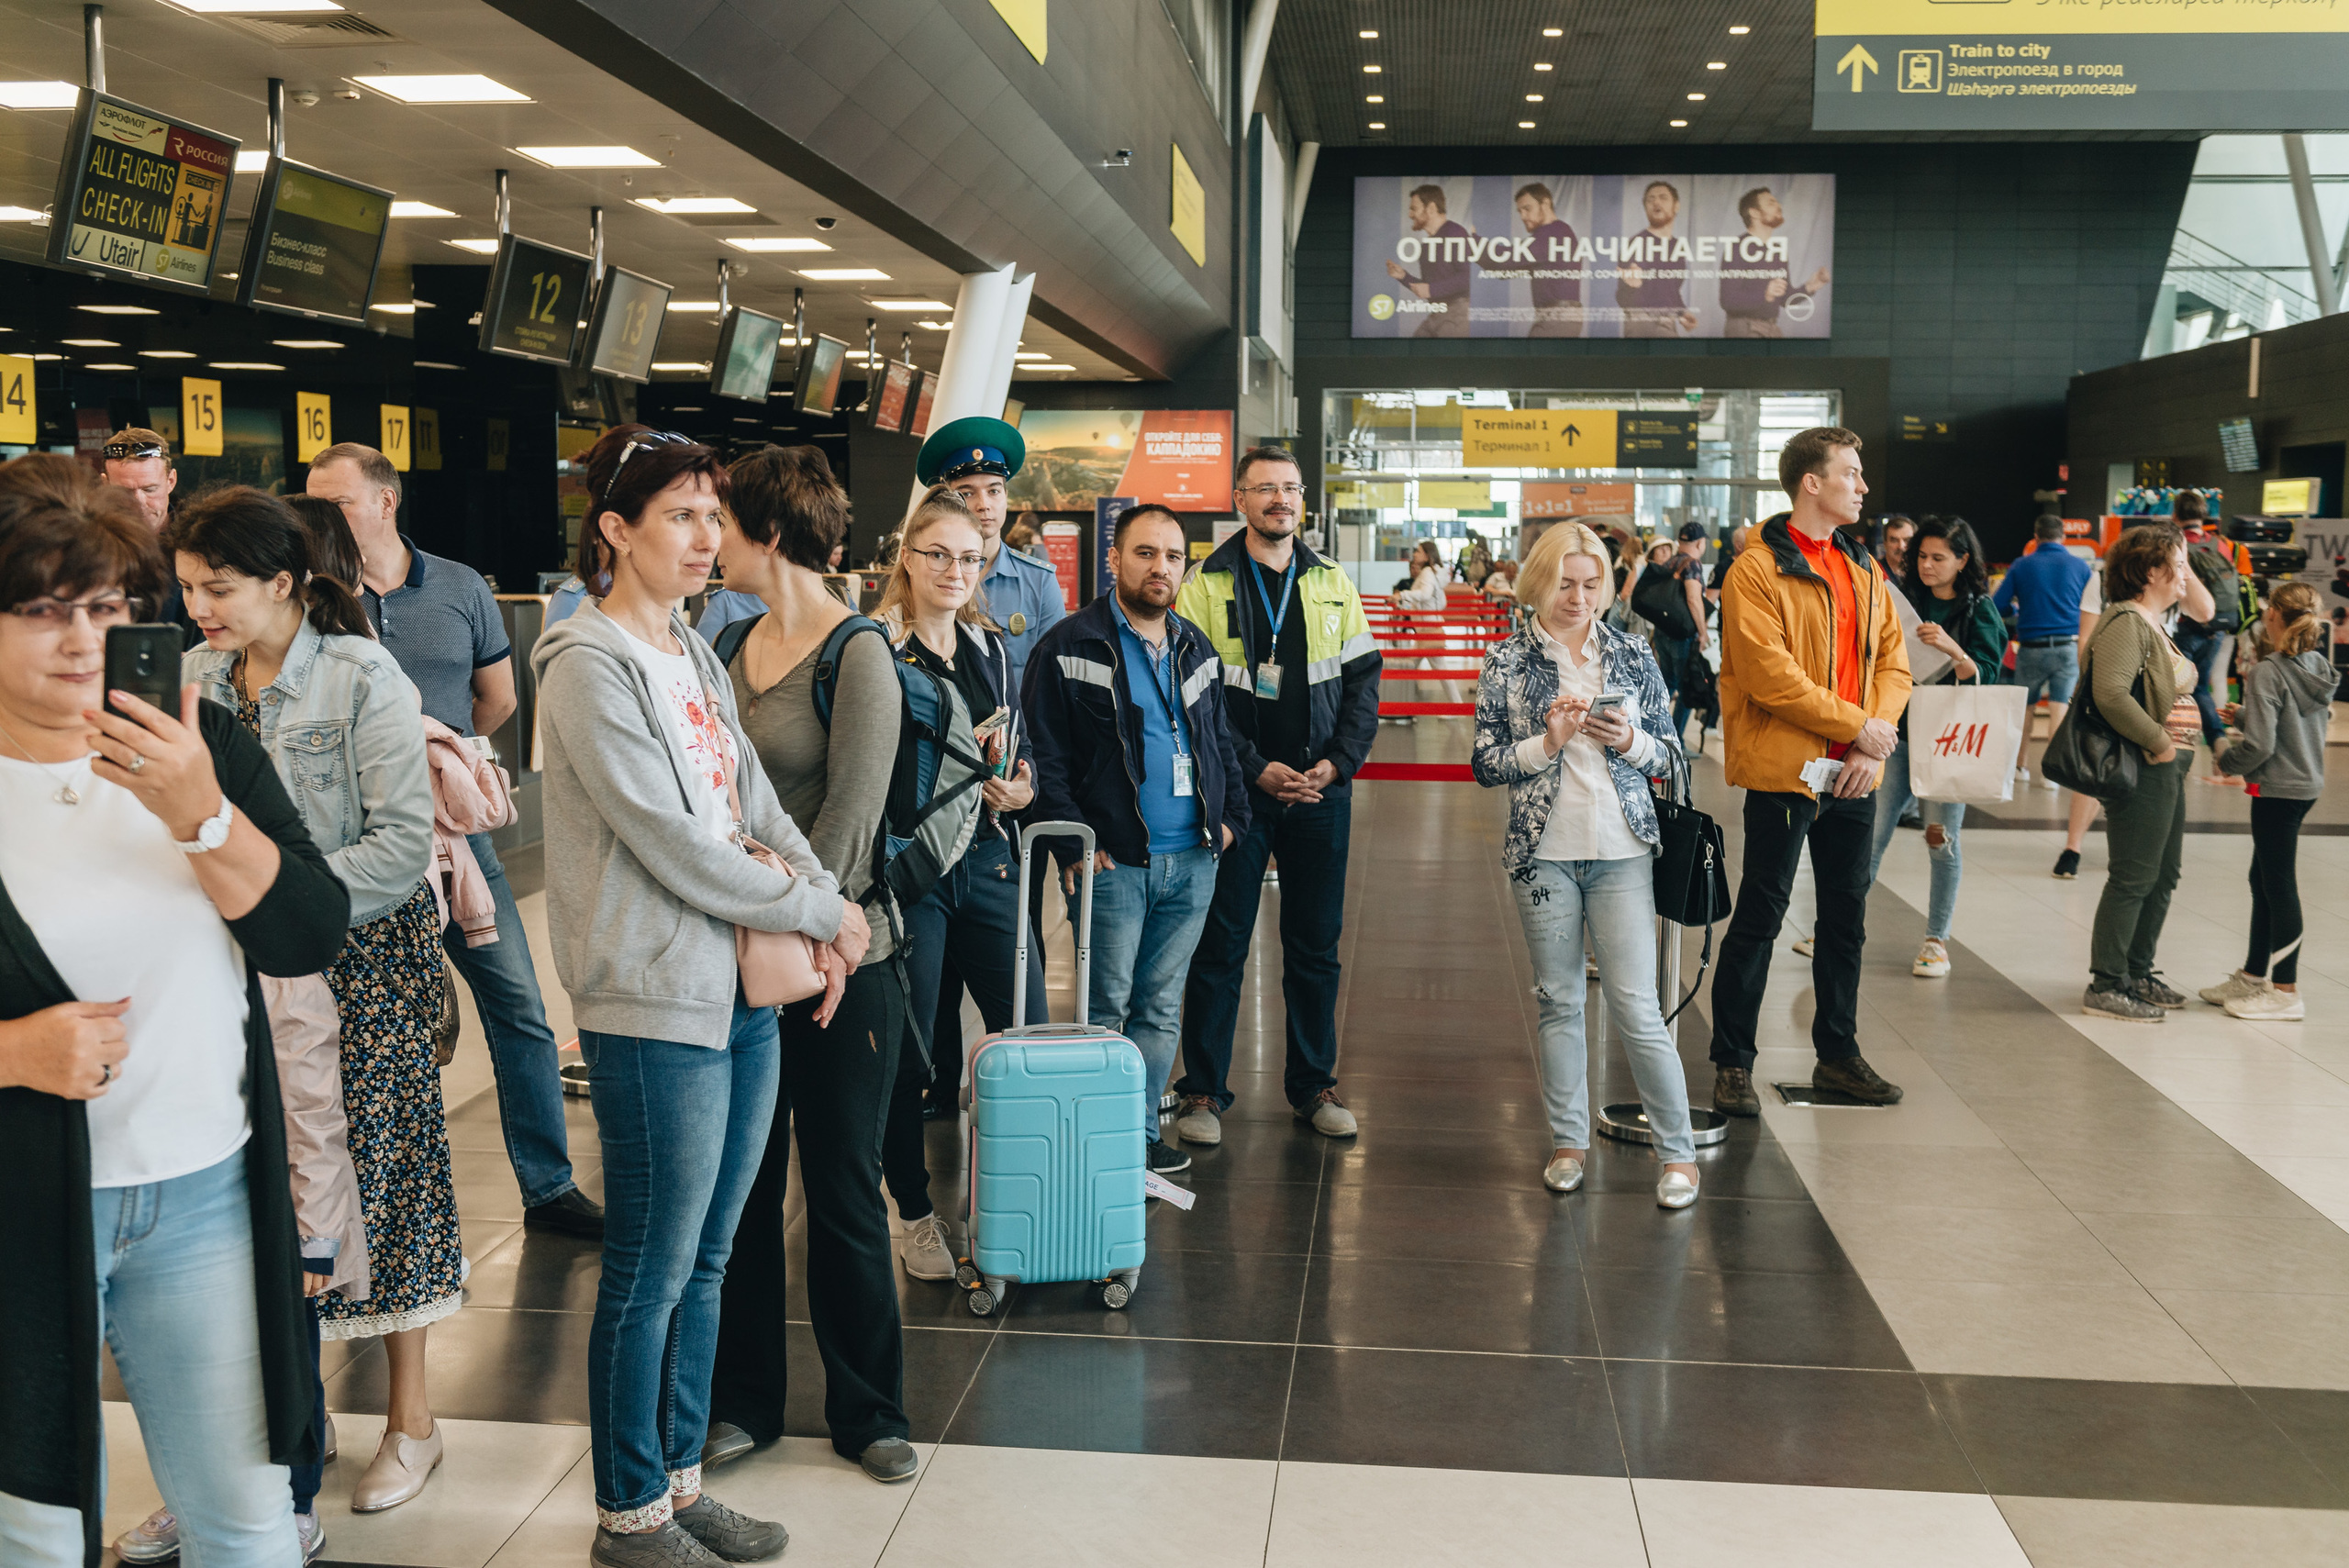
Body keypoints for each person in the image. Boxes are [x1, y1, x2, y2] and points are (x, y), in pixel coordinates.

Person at [0, 469, 349, 1568]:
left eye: (106, 607)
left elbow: (307, 930)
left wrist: (200, 813)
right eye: (42, 608)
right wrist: (12, 1050)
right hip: (23, 1207)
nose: (78, 639)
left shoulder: (201, 749)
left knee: (245, 1522)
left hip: (202, 1194)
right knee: (37, 1530)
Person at [533, 426, 853, 1567]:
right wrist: (818, 915)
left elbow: (755, 805)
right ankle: (628, 1512)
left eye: (714, 516)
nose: (706, 537)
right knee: (650, 1267)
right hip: (651, 998)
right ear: (615, 529)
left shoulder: (696, 651)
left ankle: (677, 1479)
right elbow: (670, 841)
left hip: (736, 988)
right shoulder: (585, 662)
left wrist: (824, 892)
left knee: (715, 1252)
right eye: (680, 514)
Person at [172, 486, 463, 1521]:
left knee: (387, 1185)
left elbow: (399, 840)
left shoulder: (359, 676)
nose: (199, 604)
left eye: (220, 586)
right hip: (238, 967)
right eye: (188, 584)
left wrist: (283, 898)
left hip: (359, 957)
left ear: (285, 582)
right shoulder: (194, 676)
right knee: (265, 1199)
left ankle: (412, 1420)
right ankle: (291, 1423)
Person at [306, 443, 599, 1238]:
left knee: (521, 1008)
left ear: (385, 501)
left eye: (333, 503)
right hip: (359, 850)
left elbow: (497, 697)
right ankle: (370, 1202)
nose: (318, 518)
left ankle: (549, 1186)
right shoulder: (312, 598)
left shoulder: (462, 587)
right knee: (371, 1032)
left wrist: (444, 765)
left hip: (461, 845)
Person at [703, 443, 920, 1488]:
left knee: (840, 1188)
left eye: (723, 524)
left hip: (844, 959)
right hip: (743, 959)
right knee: (741, 1190)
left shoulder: (859, 653)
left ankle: (868, 1408)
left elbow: (847, 829)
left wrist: (805, 923)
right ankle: (744, 1401)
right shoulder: (724, 641)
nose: (709, 541)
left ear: (771, 533)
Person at [1470, 521, 1700, 1208]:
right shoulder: (1506, 660)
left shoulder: (1632, 654)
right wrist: (1548, 741)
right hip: (1543, 855)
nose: (1578, 597)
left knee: (1635, 1004)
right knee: (1559, 1000)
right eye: (1565, 583)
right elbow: (1485, 762)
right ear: (1539, 582)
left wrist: (1628, 739)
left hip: (1622, 850)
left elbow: (1672, 759)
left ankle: (1678, 1153)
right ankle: (1570, 1142)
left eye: (1591, 583)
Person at [1026, 503, 1251, 1174]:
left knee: (1158, 1006)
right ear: (1115, 560)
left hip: (1193, 858)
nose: (1161, 567)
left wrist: (1230, 820)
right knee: (1106, 1006)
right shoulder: (1069, 644)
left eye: (1174, 556)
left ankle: (1138, 1133)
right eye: (1146, 553)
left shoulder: (1193, 645)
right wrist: (1074, 843)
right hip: (1115, 861)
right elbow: (1046, 754)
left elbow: (1219, 743)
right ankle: (1098, 1140)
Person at [1174, 447, 1382, 1144]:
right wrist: (1253, 768)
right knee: (1221, 942)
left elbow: (1362, 685)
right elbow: (1195, 699)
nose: (1280, 499)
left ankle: (1313, 1084)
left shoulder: (1330, 581)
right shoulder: (1204, 583)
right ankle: (1202, 1090)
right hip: (1239, 794)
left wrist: (1338, 764)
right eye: (1266, 488)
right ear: (1240, 499)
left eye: (1290, 488)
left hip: (1320, 792)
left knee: (1316, 945)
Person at [1708, 428, 1911, 1115]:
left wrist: (1867, 744)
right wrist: (1858, 727)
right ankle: (1732, 1061)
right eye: (1851, 473)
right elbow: (1770, 676)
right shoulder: (1757, 570)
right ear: (1811, 483)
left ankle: (1839, 1054)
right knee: (1762, 913)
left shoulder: (1863, 569)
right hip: (1786, 772)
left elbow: (1894, 664)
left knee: (1846, 918)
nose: (1863, 485)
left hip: (1853, 774)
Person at [873, 487, 1043, 1282]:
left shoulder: (989, 647)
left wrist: (1022, 785)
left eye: (971, 558)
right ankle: (914, 1211)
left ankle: (1026, 1199)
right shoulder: (874, 649)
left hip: (991, 860)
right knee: (910, 1056)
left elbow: (1012, 750)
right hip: (915, 871)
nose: (955, 570)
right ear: (906, 555)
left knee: (1027, 1038)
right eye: (938, 553)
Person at [917, 416, 1067, 1063]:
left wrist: (1029, 776)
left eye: (994, 491)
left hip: (1002, 812)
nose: (983, 505)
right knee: (930, 975)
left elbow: (1044, 698)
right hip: (929, 817)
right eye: (968, 491)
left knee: (1014, 963)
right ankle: (935, 1079)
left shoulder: (1034, 581)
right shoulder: (912, 601)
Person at [1865, 517, 2009, 980]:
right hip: (1898, 735)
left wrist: (1952, 649)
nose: (1926, 566)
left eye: (1938, 558)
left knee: (1940, 840)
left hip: (1950, 741)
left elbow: (1988, 676)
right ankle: (1840, 925)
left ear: (1962, 560)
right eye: (1921, 556)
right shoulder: (1903, 601)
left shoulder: (1978, 609)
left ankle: (1936, 940)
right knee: (1870, 837)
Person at [2076, 523, 2204, 1024]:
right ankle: (2107, 982)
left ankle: (2136, 969)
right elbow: (2110, 694)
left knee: (2163, 873)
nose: (2186, 574)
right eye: (2180, 563)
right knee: (2134, 875)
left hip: (2166, 768)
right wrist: (2158, 741)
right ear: (2153, 571)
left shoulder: (2151, 622)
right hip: (2146, 766)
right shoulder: (2127, 621)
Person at [2207, 581, 2332, 1022]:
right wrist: (2244, 713)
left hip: (2277, 789)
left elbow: (2258, 747)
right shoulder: (2315, 665)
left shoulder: (2267, 670)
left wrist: (2224, 756)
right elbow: (2295, 722)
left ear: (2276, 615)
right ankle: (2254, 974)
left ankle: (2285, 990)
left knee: (2277, 884)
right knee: (2262, 878)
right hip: (2305, 785)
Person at [1993, 514, 2093, 805]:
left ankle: (2020, 767)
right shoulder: (2081, 566)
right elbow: (2091, 606)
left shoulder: (2022, 565)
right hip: (2067, 647)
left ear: (2036, 538)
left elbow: (1998, 605)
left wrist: (2018, 613)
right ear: (2064, 537)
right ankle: (2052, 774)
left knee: (2026, 708)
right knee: (2059, 709)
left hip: (2031, 647)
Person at [99, 428, 198, 640]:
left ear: (170, 481)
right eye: (125, 492)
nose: (139, 503)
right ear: (105, 485)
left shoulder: (202, 545)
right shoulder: (89, 549)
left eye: (150, 489)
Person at [1632, 523, 1710, 748]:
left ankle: (1651, 731)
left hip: (1664, 632)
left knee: (1666, 685)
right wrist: (1702, 633)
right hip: (1682, 635)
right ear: (1700, 542)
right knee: (1686, 687)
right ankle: (1675, 742)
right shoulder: (1692, 564)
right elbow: (1693, 599)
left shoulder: (1671, 561)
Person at [2174, 493, 2240, 749]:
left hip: (2186, 626)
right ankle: (2217, 740)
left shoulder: (2179, 544)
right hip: (2218, 627)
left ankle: (2179, 742)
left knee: (2178, 687)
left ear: (2175, 515)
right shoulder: (2220, 545)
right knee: (2201, 686)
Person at [1719, 186, 1830, 339]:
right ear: (1754, 213)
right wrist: (1765, 295)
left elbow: (1785, 299)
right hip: (1745, 328)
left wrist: (1811, 286)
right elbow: (1728, 301)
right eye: (1771, 203)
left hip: (1772, 329)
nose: (1779, 206)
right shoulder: (1737, 247)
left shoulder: (1778, 250)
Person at [1384, 183, 1473, 338]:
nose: (1410, 214)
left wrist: (1432, 290)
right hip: (1437, 313)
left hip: (1457, 313)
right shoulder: (1426, 246)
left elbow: (1469, 277)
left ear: (1431, 208)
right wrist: (1404, 277)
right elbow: (1428, 287)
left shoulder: (1454, 232)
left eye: (1414, 209)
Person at [1616, 180, 1697, 337]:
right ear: (1645, 207)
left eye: (1663, 197)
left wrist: (1682, 312)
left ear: (1676, 206)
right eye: (1650, 199)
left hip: (1668, 323)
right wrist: (1633, 286)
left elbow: (1670, 290)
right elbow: (1622, 298)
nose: (1656, 202)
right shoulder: (1634, 244)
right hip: (1642, 324)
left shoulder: (1677, 247)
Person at [1512, 181, 1582, 337]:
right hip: (1561, 318)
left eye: (1527, 209)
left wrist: (1473, 243)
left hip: (1556, 318)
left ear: (1545, 204)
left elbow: (1504, 261)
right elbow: (1506, 269)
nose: (1523, 216)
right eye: (1520, 211)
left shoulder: (1550, 233)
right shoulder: (1561, 231)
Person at [1876, 515, 1915, 580]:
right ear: (1885, 544)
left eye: (1907, 540)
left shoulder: (1922, 573)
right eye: (1894, 541)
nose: (1901, 546)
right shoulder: (1874, 573)